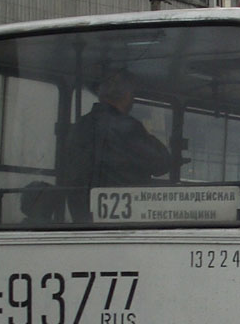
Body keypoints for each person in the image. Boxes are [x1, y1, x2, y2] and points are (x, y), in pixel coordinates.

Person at [63, 71, 171, 221]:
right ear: (127, 96)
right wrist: (149, 136)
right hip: (124, 220)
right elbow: (162, 163)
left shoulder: (79, 126)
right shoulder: (128, 128)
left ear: (101, 96)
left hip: (81, 218)